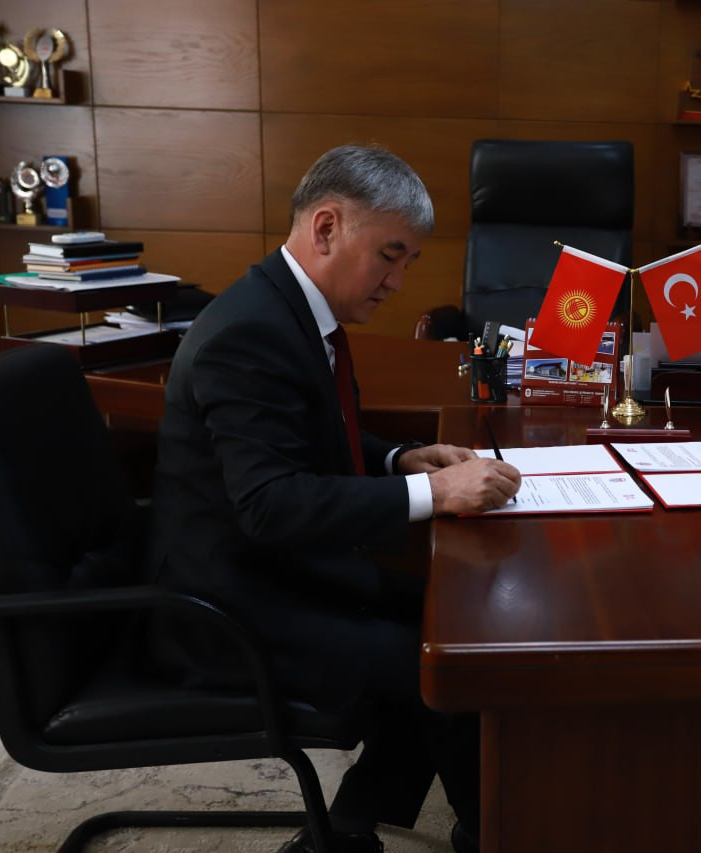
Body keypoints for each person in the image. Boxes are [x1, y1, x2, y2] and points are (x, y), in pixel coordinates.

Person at [148, 144, 521, 853]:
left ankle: (351, 824)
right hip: (228, 607)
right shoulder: (250, 332)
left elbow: (308, 435)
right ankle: (496, 832)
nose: (399, 282)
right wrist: (432, 490)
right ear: (326, 228)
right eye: (390, 255)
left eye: (408, 261)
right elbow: (271, 504)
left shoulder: (286, 308)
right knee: (443, 663)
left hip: (279, 571)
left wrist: (397, 457)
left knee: (461, 622)